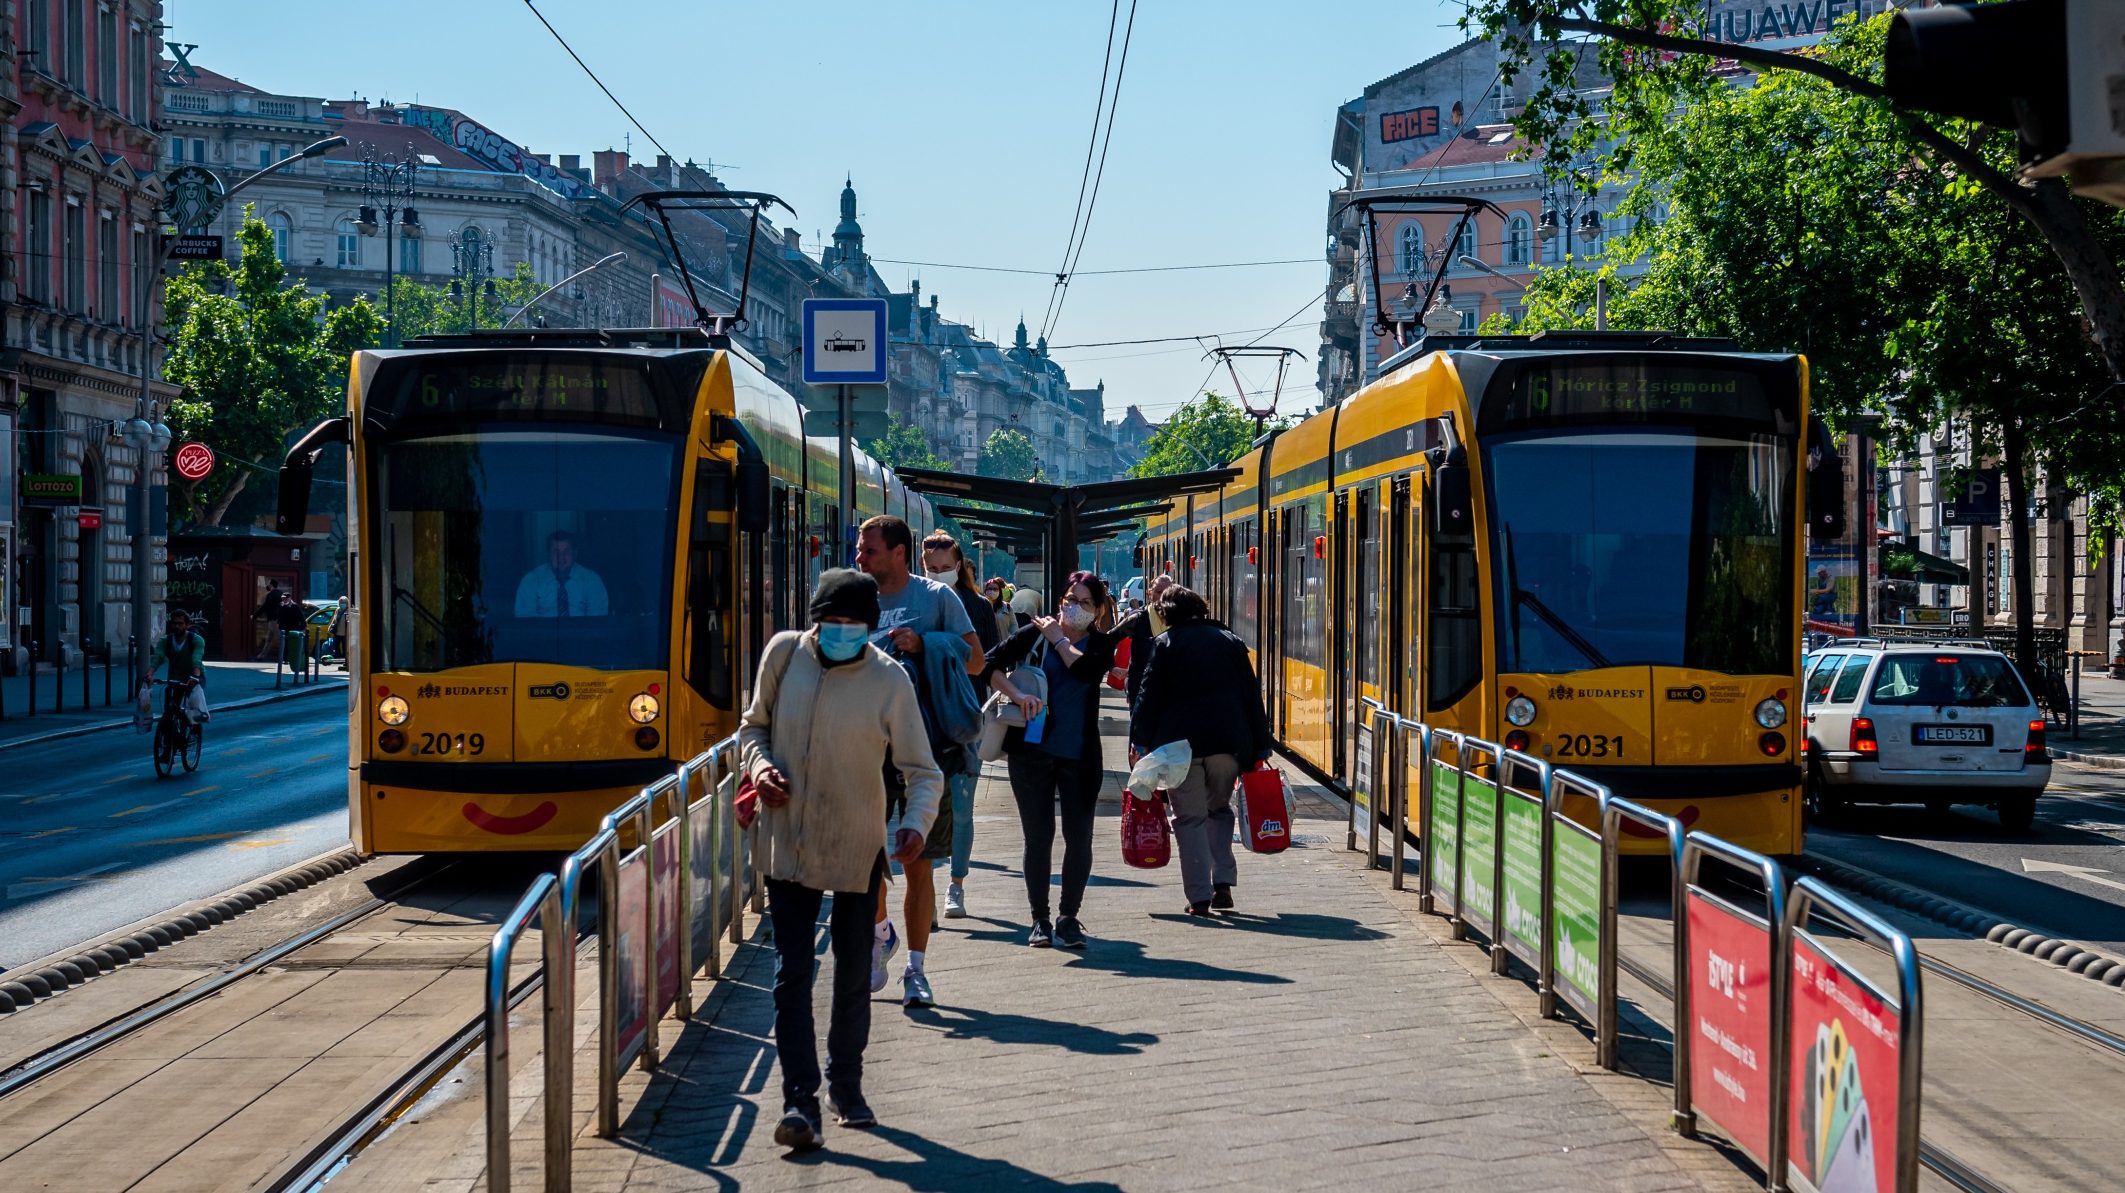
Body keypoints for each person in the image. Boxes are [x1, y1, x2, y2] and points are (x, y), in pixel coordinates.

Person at [740, 569, 942, 1151]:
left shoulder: (889, 681)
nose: (842, 632)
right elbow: (752, 729)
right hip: (788, 847)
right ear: (815, 619)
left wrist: (913, 825)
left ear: (870, 627)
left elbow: (921, 771)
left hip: (858, 847)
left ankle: (846, 1086)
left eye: (854, 625)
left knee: (853, 973)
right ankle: (799, 1101)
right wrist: (760, 769)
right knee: (791, 975)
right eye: (832, 623)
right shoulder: (783, 655)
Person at [856, 515, 983, 1009]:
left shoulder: (936, 598)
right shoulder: (854, 598)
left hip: (926, 754)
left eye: (868, 550)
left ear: (898, 553)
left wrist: (924, 643)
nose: (860, 558)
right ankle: (879, 932)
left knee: (919, 864)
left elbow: (975, 660)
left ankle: (916, 970)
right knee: (867, 862)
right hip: (864, 750)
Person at [982, 571, 1122, 949]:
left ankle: (1068, 916)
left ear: (1097, 610)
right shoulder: (1031, 635)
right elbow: (988, 665)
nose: (1073, 608)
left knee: (1079, 839)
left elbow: (1086, 670)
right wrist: (1015, 694)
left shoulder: (1099, 644)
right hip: (1031, 754)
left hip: (1079, 756)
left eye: (1083, 603)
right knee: (1038, 838)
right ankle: (1039, 919)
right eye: (1069, 600)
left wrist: (1058, 638)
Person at [1131, 585, 1272, 916]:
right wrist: (1259, 746)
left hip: (1181, 750)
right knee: (1219, 811)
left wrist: (1140, 742)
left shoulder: (1166, 644)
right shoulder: (1231, 643)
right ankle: (1222, 882)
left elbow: (1147, 698)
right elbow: (1252, 697)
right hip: (1229, 746)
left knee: (1189, 819)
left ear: (1166, 615)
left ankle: (1199, 898)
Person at [921, 532, 997, 923]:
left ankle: (957, 884)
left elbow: (990, 663)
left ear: (959, 566)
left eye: (946, 569)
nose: (938, 575)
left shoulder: (978, 608)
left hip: (967, 719)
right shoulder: (916, 604)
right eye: (931, 568)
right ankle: (927, 894)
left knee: (962, 809)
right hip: (923, 721)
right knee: (926, 811)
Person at [514, 529, 609, 618]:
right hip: (543, 635)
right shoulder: (531, 581)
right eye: (556, 552)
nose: (561, 557)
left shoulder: (592, 580)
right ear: (548, 554)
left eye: (566, 551)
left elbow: (597, 622)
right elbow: (525, 623)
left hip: (582, 634)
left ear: (575, 553)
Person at [149, 609, 210, 722]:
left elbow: (196, 659)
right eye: (174, 623)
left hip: (194, 676)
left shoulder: (196, 640)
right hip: (175, 677)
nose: (177, 626)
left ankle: (193, 729)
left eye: (180, 623)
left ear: (187, 625)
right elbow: (158, 658)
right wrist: (150, 674)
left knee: (192, 706)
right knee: (170, 707)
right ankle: (169, 727)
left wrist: (195, 677)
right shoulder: (165, 641)